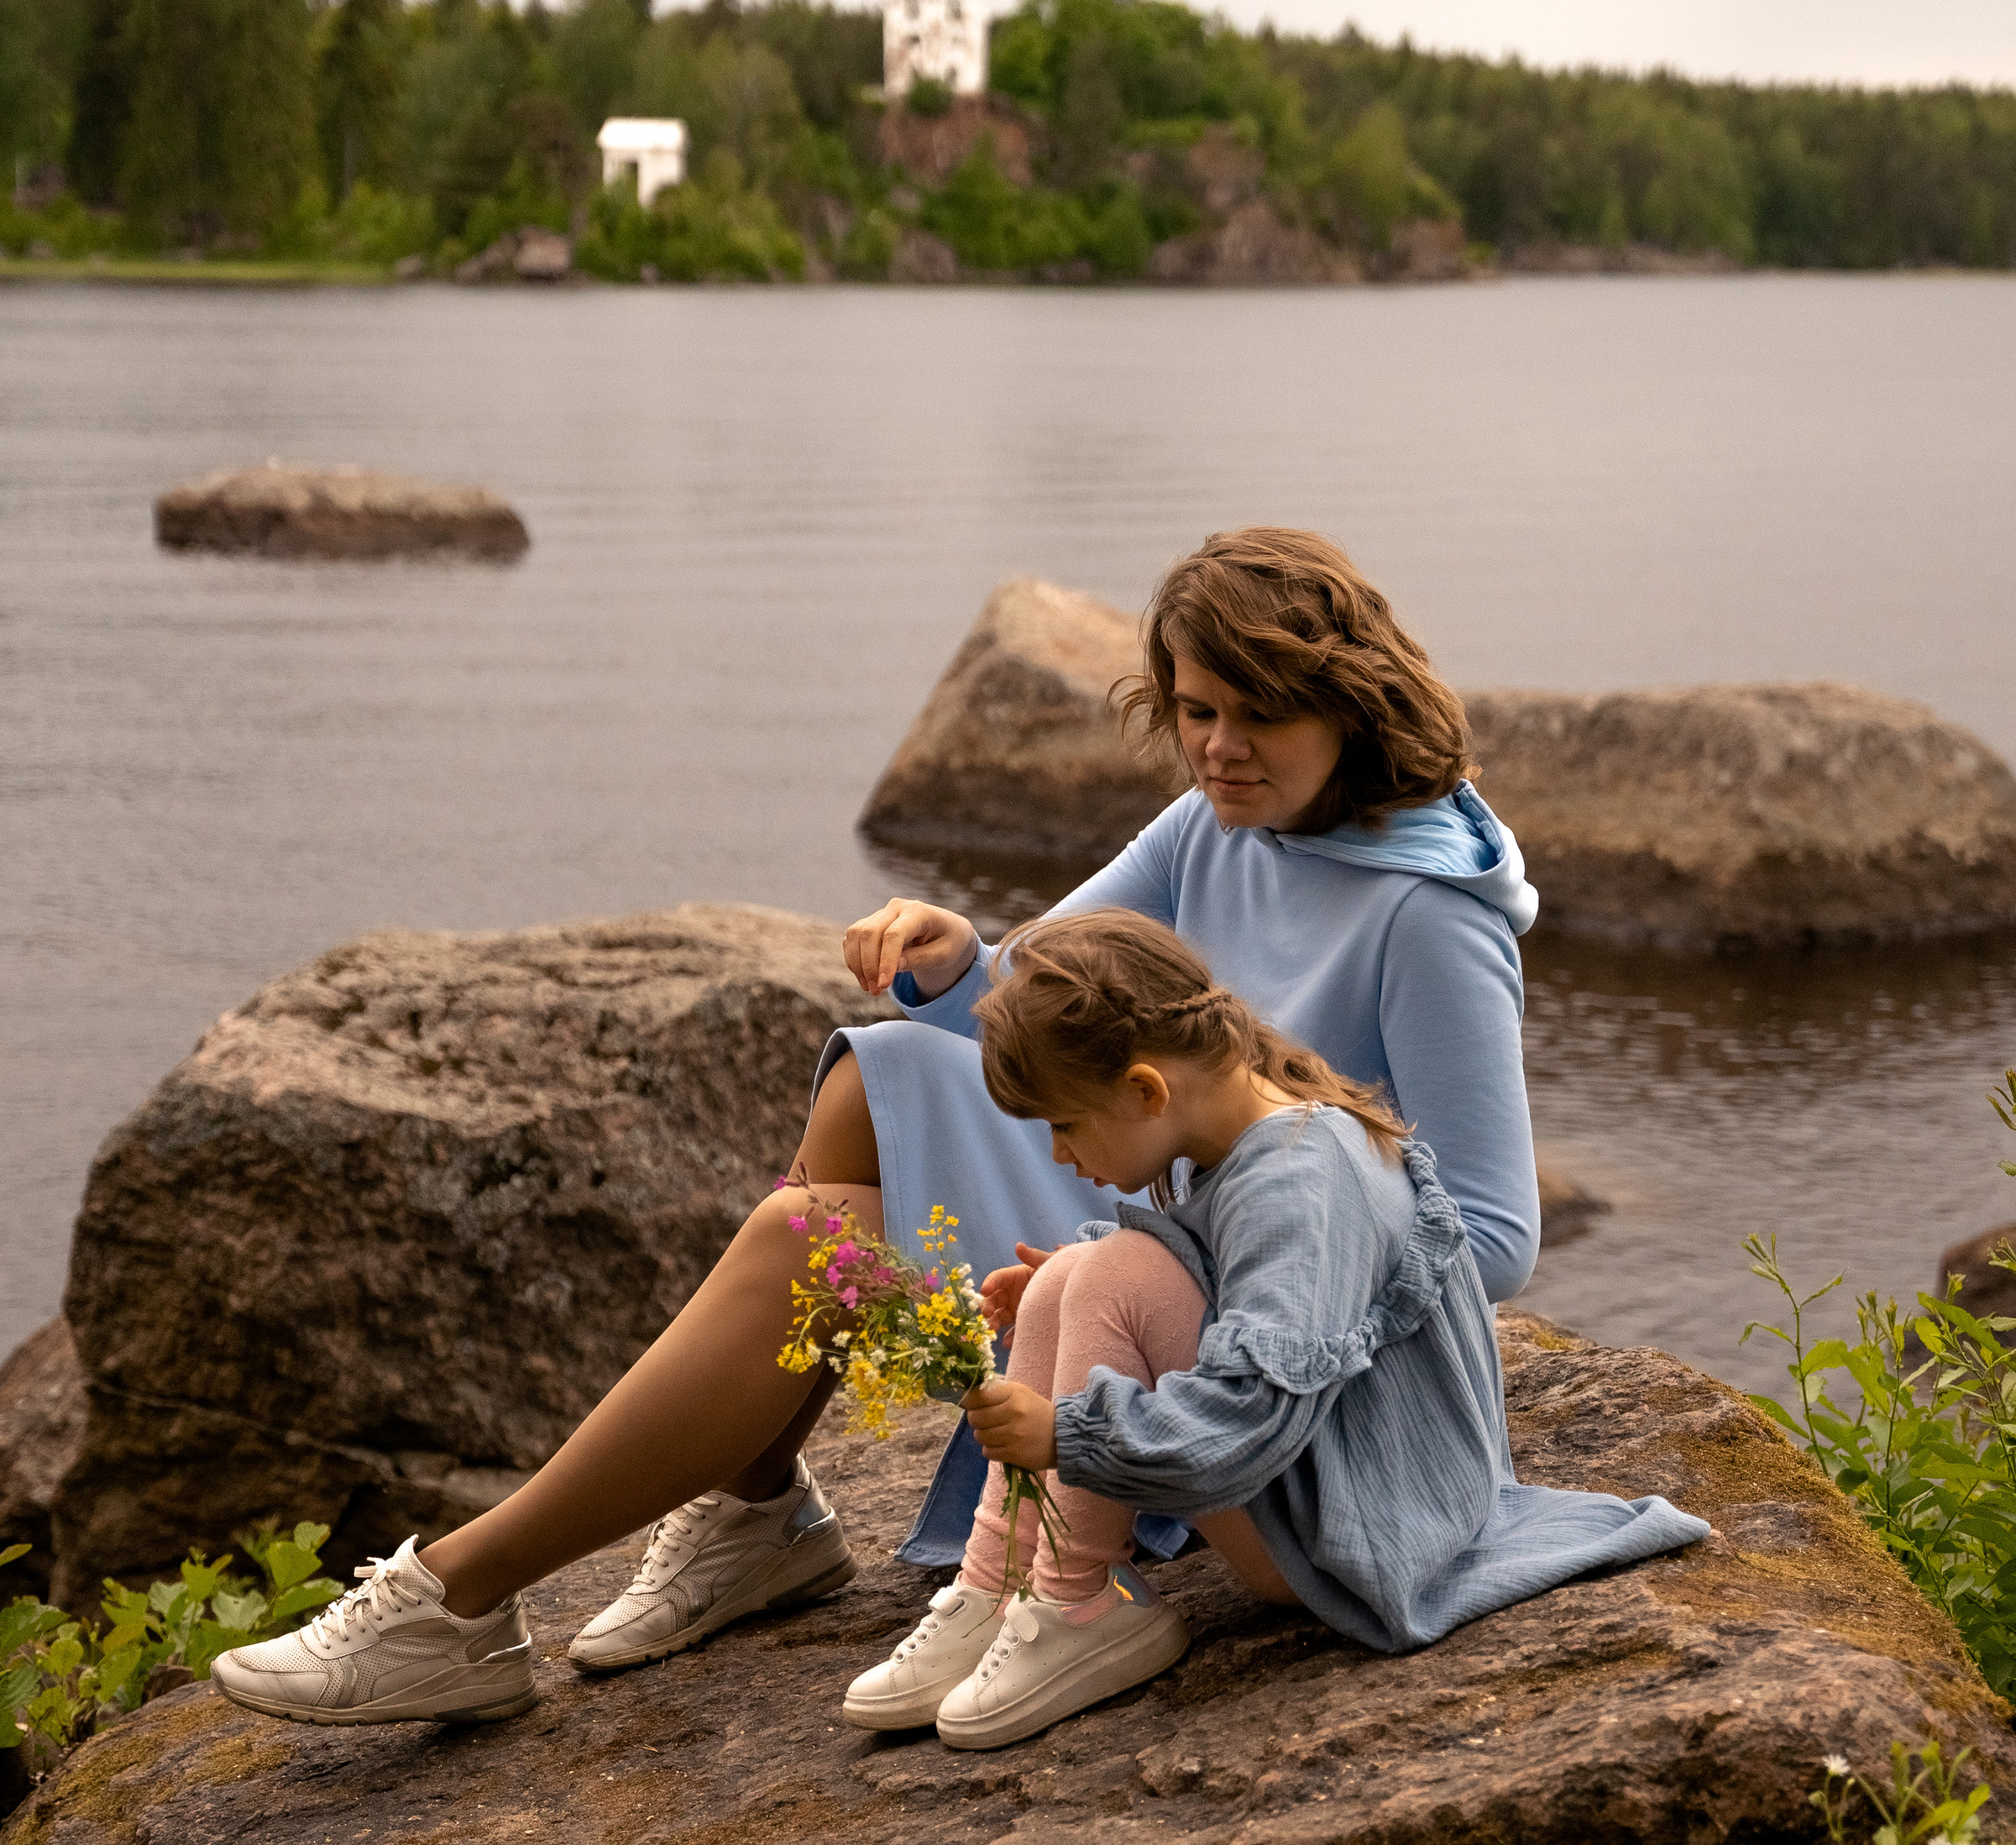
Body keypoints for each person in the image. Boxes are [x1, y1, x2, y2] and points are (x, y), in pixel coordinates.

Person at [210, 527, 1548, 1732]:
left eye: (1260, 715)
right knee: (882, 1074)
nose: (1217, 748)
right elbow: (1056, 1006)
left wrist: (1212, 1255)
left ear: (1349, 702)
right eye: (1197, 711)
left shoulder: (1429, 912)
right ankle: (744, 1512)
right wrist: (959, 963)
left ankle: (477, 1590)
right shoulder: (1216, 824)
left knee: (816, 1239)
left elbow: (1490, 1234)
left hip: (1264, 1284)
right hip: (1156, 1184)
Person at [846, 914, 1708, 1752]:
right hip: (1332, 1497)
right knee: (1074, 1279)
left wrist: (1068, 1436)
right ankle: (998, 1584)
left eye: (1064, 1125)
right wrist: (1070, 1280)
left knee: (1107, 1275)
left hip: (1358, 1535)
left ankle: (1079, 1603)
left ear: (1146, 1090)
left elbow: (1255, 1408)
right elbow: (1241, 1277)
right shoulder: (1262, 1131)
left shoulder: (1298, 1177)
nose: (1061, 1156)